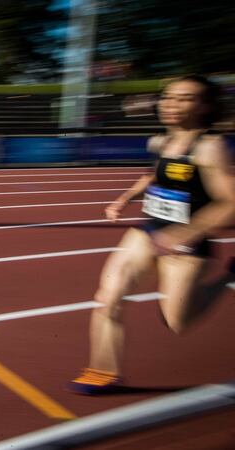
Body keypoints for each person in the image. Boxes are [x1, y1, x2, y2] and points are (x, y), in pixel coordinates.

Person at [69, 75, 235, 395]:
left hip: (187, 243)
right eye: (169, 97)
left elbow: (230, 203)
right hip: (147, 232)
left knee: (178, 323)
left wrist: (185, 232)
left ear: (204, 107)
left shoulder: (210, 148)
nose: (171, 104)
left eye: (185, 98)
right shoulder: (161, 140)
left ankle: (228, 276)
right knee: (108, 296)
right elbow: (152, 175)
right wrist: (124, 198)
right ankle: (104, 372)